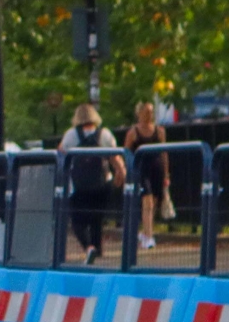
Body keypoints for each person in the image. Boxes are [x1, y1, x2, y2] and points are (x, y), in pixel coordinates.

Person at [56, 101, 126, 263]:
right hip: (102, 184)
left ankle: (89, 248)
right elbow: (115, 158)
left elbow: (60, 155)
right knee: (96, 219)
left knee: (77, 222)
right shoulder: (105, 134)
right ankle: (97, 252)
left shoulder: (71, 135)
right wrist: (121, 175)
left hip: (79, 186)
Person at [121, 100, 167, 250]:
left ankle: (146, 231)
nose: (149, 114)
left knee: (154, 202)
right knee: (147, 201)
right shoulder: (133, 132)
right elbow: (126, 153)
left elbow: (164, 153)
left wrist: (167, 173)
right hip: (141, 170)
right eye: (146, 111)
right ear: (139, 113)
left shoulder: (159, 131)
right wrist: (126, 172)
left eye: (151, 111)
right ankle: (149, 237)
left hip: (156, 168)